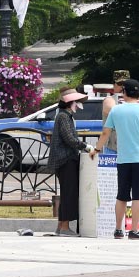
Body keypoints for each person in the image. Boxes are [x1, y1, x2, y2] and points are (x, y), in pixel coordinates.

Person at [97, 78, 139, 240]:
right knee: (138, 196)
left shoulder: (116, 111)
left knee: (122, 195)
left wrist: (97, 149)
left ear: (123, 93)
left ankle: (118, 229)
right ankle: (134, 229)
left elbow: (106, 132)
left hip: (123, 159)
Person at [47, 88, 96, 236]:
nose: (78, 105)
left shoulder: (64, 116)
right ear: (71, 103)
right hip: (65, 159)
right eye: (77, 102)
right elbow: (69, 138)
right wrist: (86, 146)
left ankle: (61, 225)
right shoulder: (63, 117)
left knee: (67, 192)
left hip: (65, 160)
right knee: (69, 193)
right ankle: (64, 228)